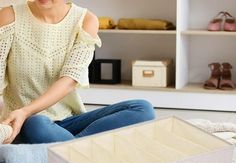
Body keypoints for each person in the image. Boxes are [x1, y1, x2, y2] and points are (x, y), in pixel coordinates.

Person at [0, 0, 156, 144]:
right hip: (23, 124)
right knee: (36, 122)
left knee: (143, 108)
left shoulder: (86, 21)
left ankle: (74, 149)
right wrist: (20, 115)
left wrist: (26, 111)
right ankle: (82, 151)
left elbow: (69, 81)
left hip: (68, 122)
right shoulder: (9, 16)